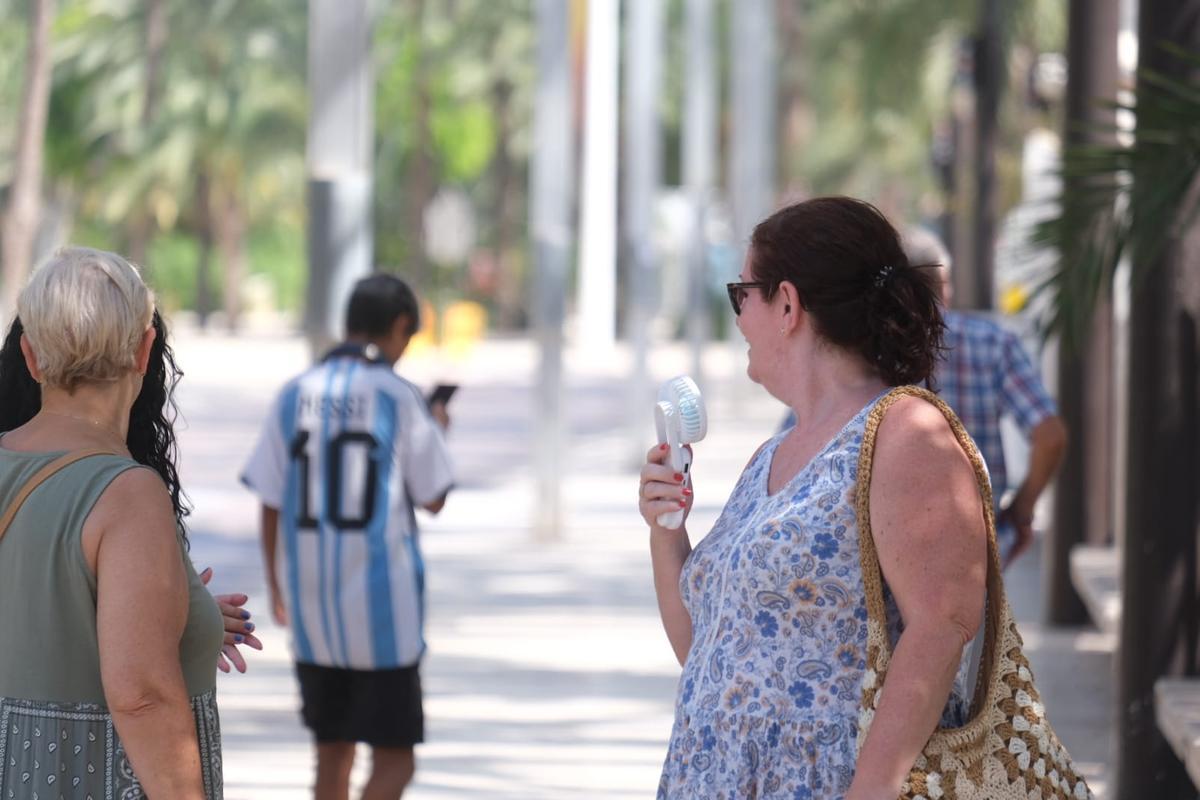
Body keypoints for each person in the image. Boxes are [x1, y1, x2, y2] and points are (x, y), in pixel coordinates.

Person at [640, 197, 989, 798]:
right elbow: (706, 655)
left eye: (740, 295)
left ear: (788, 304)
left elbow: (944, 624)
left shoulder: (908, 434)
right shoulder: (771, 456)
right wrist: (666, 528)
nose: (738, 317)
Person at [0, 246, 259, 798]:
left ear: (29, 355)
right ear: (145, 349)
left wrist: (185, 618)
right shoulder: (127, 494)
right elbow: (140, 694)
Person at [241, 273, 454, 800]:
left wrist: (275, 581)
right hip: (384, 615)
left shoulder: (294, 394)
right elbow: (433, 497)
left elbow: (269, 496)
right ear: (401, 326)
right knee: (396, 763)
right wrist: (438, 427)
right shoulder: (399, 396)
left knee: (331, 756)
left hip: (314, 607)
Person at [902, 227, 1067, 567]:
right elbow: (1050, 435)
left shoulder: (865, 349)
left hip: (891, 546)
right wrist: (1021, 511)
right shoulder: (993, 343)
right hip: (975, 546)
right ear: (943, 281)